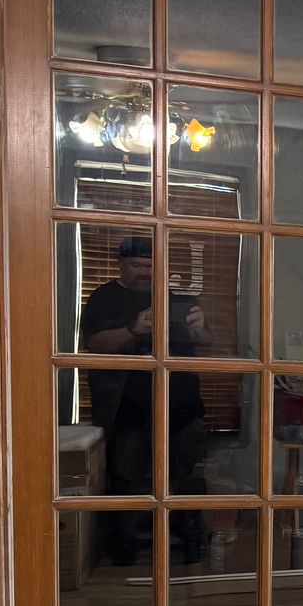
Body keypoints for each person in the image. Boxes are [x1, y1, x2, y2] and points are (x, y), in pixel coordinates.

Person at [80, 236, 211, 565]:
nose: (145, 273)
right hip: (126, 404)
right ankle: (123, 550)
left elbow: (208, 342)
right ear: (121, 264)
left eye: (151, 267)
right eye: (138, 266)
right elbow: (94, 344)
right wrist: (134, 329)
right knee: (127, 477)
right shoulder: (104, 297)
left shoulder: (178, 298)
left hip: (180, 402)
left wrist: (200, 328)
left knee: (187, 477)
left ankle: (193, 547)